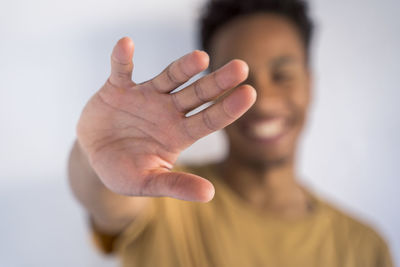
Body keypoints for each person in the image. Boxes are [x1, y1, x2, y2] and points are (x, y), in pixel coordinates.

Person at [68, 0, 394, 266]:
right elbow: (106, 197)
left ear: (310, 83)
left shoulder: (364, 248)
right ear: (212, 89)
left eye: (282, 74)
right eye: (239, 80)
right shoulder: (162, 194)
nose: (262, 100)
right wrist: (94, 155)